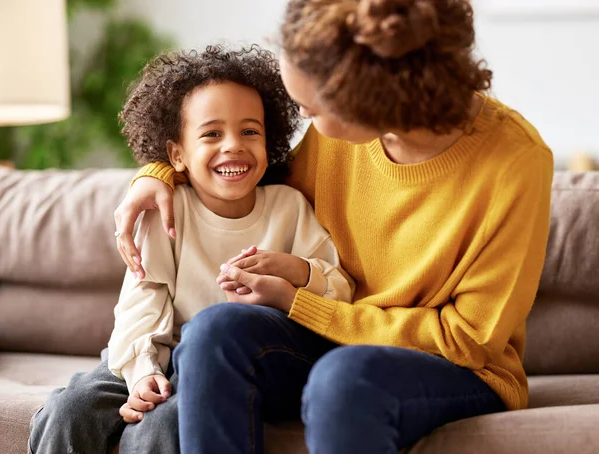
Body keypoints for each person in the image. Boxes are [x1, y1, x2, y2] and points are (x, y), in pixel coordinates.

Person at [114, 0, 554, 453]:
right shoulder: (340, 134)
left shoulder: (515, 163)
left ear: (367, 97)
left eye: (310, 106)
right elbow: (242, 175)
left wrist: (301, 304)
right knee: (214, 332)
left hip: (450, 367)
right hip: (331, 342)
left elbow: (469, 340)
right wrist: (155, 174)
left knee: (344, 380)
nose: (303, 119)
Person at [28, 45, 352, 454]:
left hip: (218, 368)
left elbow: (340, 289)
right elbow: (142, 303)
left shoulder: (289, 207)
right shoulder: (165, 209)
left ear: (269, 144)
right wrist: (142, 371)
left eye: (250, 131)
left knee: (161, 422)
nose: (233, 145)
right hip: (145, 349)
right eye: (212, 133)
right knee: (68, 407)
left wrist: (296, 270)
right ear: (177, 155)